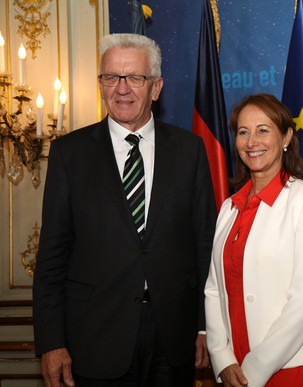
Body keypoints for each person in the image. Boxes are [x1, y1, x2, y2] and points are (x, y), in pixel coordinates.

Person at [32, 33, 217, 386]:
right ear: (100, 85)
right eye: (111, 77)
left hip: (174, 339)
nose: (122, 89)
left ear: (156, 87)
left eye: (135, 78)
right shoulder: (69, 154)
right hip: (95, 339)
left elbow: (205, 245)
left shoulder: (189, 151)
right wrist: (52, 342)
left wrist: (205, 326)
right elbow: (52, 258)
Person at [205, 93, 303, 387]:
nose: (252, 142)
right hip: (234, 366)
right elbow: (214, 289)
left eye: (263, 130)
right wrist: (221, 356)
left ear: (286, 136)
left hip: (294, 366)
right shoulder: (229, 208)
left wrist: (257, 366)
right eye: (243, 132)